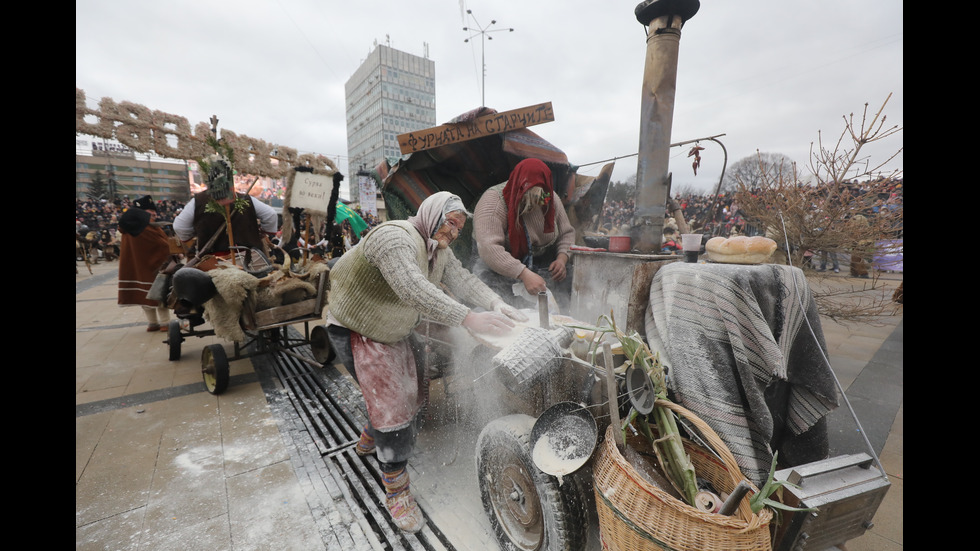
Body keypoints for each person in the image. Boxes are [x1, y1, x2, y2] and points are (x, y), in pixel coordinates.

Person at [324, 191, 527, 534]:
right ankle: (396, 491)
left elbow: (462, 279)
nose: (453, 233)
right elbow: (412, 289)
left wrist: (495, 304)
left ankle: (370, 435)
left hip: (394, 327)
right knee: (393, 410)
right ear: (432, 213)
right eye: (451, 223)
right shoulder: (394, 238)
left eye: (459, 228)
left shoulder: (438, 249)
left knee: (415, 389)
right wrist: (468, 319)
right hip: (358, 329)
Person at [472, 158, 576, 312]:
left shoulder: (550, 198)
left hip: (536, 263)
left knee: (548, 309)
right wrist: (523, 274)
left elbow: (566, 233)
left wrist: (562, 259)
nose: (534, 205)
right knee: (496, 310)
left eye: (538, 198)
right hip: (494, 265)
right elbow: (489, 248)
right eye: (528, 198)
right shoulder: (494, 201)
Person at [117, 196, 173, 331]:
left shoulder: (128, 226)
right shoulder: (147, 228)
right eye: (150, 211)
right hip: (153, 266)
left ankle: (152, 323)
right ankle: (165, 323)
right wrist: (175, 252)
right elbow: (162, 245)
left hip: (136, 266)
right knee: (159, 292)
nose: (154, 214)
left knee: (144, 294)